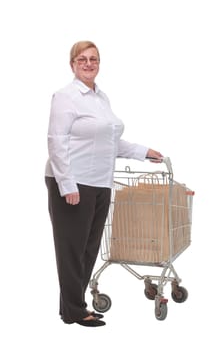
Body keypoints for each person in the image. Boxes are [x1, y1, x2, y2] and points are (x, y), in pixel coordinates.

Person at [45, 40, 163, 327]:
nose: (88, 64)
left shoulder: (101, 98)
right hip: (73, 182)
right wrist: (67, 185)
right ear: (72, 64)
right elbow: (56, 142)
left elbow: (109, 141)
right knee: (72, 249)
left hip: (100, 182)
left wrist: (142, 151)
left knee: (88, 248)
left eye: (93, 59)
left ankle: (71, 308)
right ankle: (75, 310)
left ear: (99, 63)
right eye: (82, 59)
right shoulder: (65, 96)